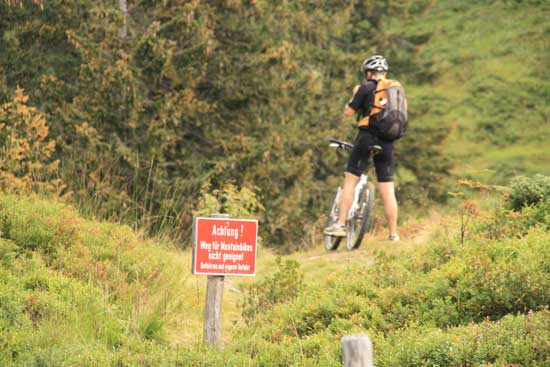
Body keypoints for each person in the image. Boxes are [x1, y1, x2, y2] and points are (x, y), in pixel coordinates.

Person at [324, 55, 400, 242]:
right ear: (384, 73)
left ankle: (340, 224)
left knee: (350, 180)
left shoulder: (365, 87)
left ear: (368, 73)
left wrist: (355, 94)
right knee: (388, 189)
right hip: (388, 142)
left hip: (367, 137)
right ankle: (393, 234)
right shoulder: (395, 90)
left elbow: (349, 112)